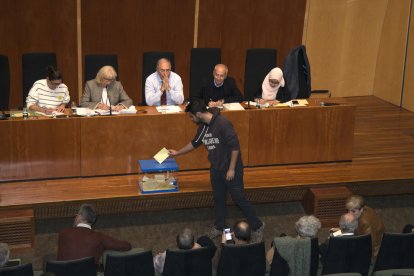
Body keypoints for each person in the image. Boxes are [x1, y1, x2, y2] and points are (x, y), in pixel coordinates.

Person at [168, 99, 264, 243]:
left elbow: (235, 147)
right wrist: (177, 153)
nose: (191, 119)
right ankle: (219, 226)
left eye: (191, 116)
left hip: (232, 169)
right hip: (216, 169)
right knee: (219, 199)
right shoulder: (202, 128)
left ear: (199, 114)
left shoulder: (223, 124)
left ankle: (257, 226)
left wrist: (231, 169)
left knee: (239, 198)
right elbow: (195, 143)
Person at [57, 203, 131, 265]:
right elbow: (126, 246)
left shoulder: (63, 232)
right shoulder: (99, 238)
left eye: (76, 215)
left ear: (79, 217)